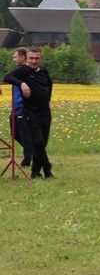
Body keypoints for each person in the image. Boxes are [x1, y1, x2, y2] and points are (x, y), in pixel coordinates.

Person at [3, 47, 53, 178]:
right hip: (31, 113)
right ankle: (47, 168)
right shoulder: (23, 70)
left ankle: (35, 173)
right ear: (27, 58)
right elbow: (7, 77)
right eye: (31, 58)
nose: (34, 61)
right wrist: (22, 84)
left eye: (37, 58)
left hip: (45, 113)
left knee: (42, 144)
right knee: (38, 142)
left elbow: (49, 85)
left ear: (41, 58)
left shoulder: (44, 71)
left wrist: (48, 99)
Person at [9, 47, 33, 167]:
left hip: (23, 107)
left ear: (23, 57)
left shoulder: (25, 71)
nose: (14, 59)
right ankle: (32, 149)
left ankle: (27, 160)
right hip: (15, 107)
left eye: (15, 57)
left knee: (24, 134)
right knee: (15, 133)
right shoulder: (18, 71)